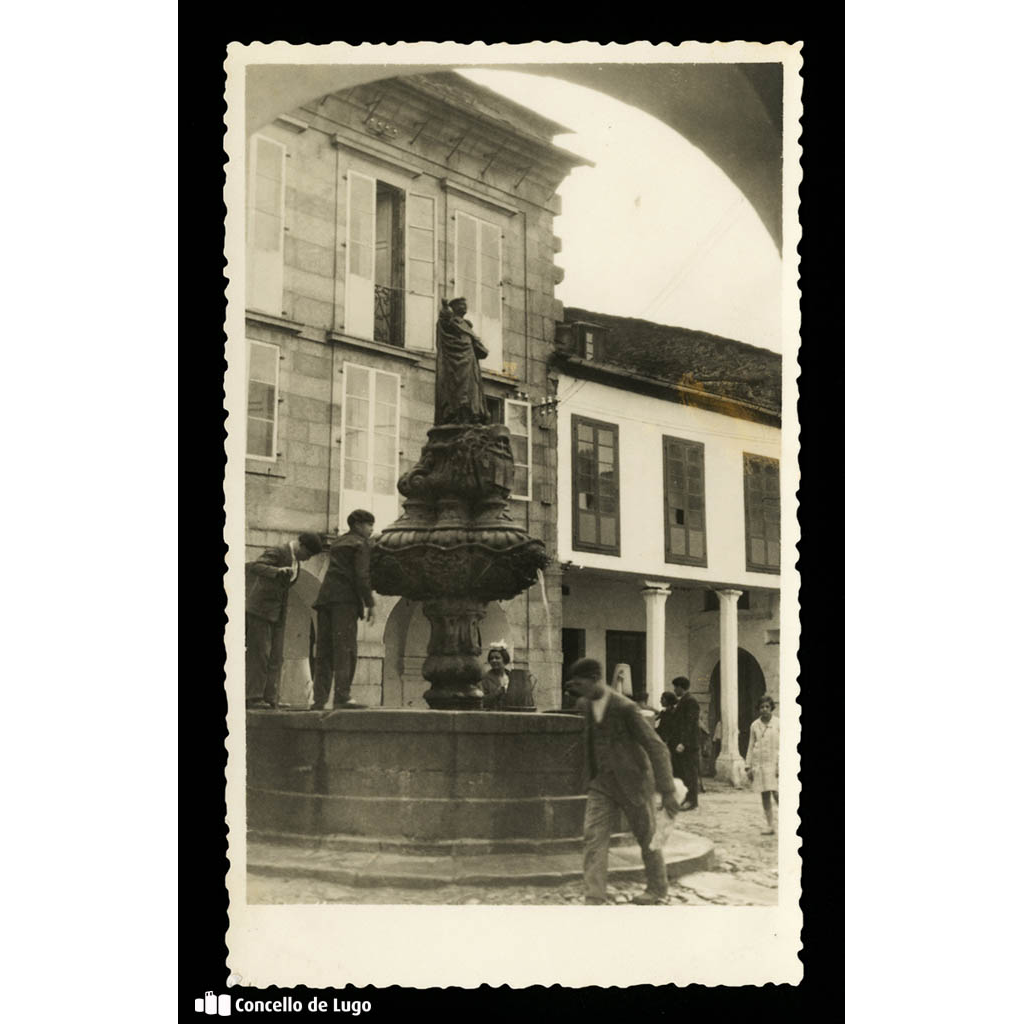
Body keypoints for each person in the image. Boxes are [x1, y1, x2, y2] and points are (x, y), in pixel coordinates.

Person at [565, 658, 681, 906]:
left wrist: (668, 789)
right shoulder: (585, 704)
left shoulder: (625, 707)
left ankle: (658, 888)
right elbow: (588, 742)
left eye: (581, 683)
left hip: (634, 782)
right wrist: (585, 777)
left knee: (646, 836)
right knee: (593, 837)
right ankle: (594, 896)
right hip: (602, 784)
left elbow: (656, 746)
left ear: (596, 680)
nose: (579, 690)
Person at [245, 532, 324, 709]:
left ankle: (271, 697)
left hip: (278, 613)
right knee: (260, 654)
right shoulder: (280, 551)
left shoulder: (295, 560)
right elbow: (257, 565)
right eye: (308, 554)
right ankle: (253, 696)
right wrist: (276, 571)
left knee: (276, 656)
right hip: (261, 610)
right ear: (301, 545)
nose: (308, 559)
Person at [311, 510, 376, 710]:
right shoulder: (360, 544)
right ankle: (343, 696)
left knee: (323, 651)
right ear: (357, 525)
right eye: (369, 525)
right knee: (346, 649)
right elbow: (361, 576)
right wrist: (370, 603)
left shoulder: (338, 543)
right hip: (345, 601)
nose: (372, 529)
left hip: (325, 599)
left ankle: (319, 700)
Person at [435, 297, 488, 425]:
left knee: (473, 387)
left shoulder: (467, 324)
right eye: (461, 305)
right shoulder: (451, 321)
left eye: (465, 305)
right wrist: (444, 309)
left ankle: (473, 414)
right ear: (455, 307)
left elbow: (475, 343)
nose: (464, 307)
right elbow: (444, 323)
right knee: (459, 387)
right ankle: (458, 413)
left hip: (470, 360)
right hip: (457, 361)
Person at [746, 694, 780, 834]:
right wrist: (748, 766)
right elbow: (751, 745)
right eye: (761, 707)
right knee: (765, 794)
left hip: (775, 762)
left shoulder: (778, 723)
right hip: (759, 764)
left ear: (771, 708)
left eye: (767, 707)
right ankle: (770, 825)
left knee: (777, 793)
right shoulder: (755, 725)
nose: (764, 709)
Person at [671, 677, 701, 810]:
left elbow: (690, 724)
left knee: (690, 773)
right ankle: (686, 799)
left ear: (680, 687)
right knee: (684, 772)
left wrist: (683, 742)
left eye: (675, 687)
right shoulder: (684, 701)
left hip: (689, 744)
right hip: (683, 743)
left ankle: (692, 800)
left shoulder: (690, 701)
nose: (674, 690)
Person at [481, 643, 511, 709]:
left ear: (504, 659)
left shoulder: (512, 676)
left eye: (497, 658)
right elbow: (482, 701)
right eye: (491, 658)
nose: (494, 660)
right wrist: (498, 692)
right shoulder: (485, 678)